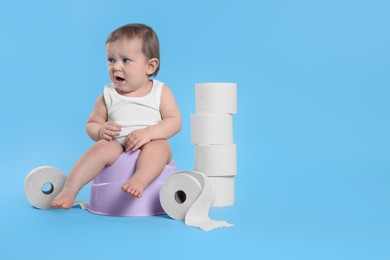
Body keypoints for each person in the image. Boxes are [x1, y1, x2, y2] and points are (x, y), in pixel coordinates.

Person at [52, 23, 182, 210]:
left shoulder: (160, 91)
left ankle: (140, 180)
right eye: (111, 60)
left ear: (150, 66)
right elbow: (92, 123)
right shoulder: (107, 95)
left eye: (126, 60)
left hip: (151, 141)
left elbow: (174, 121)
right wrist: (101, 130)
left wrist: (148, 133)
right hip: (118, 144)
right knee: (101, 148)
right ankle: (71, 188)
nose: (116, 67)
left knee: (159, 146)